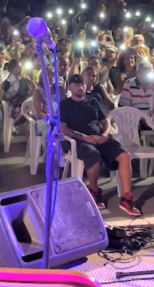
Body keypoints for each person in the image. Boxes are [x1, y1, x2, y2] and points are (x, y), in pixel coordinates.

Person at [60, 74, 141, 217]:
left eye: (83, 84)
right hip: (79, 140)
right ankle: (94, 190)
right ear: (70, 87)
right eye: (77, 85)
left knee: (124, 155)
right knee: (93, 155)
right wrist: (84, 137)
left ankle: (126, 197)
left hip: (99, 137)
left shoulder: (93, 100)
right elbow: (63, 128)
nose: (81, 87)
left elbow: (105, 122)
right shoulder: (65, 105)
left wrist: (105, 134)